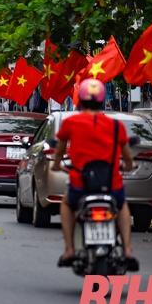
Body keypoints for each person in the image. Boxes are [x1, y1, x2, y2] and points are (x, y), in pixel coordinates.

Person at [52, 78, 138, 271]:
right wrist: (129, 166)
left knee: (66, 204)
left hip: (80, 185)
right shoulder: (116, 126)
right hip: (111, 185)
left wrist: (57, 165)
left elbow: (59, 149)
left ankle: (69, 249)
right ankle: (127, 250)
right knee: (122, 205)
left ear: (80, 101)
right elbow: (126, 155)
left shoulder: (71, 122)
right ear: (102, 101)